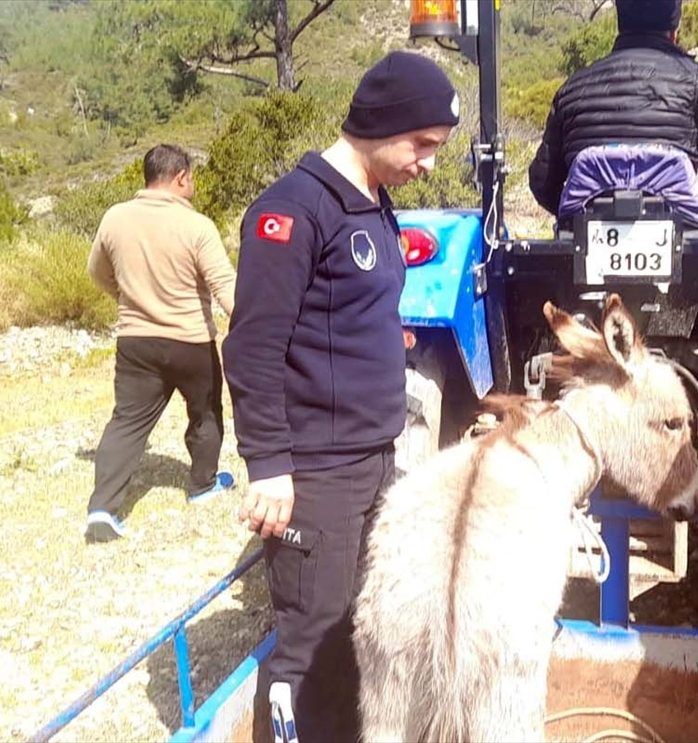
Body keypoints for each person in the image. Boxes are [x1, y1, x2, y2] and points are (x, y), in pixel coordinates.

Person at [222, 51, 458, 742]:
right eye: (422, 145)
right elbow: (254, 347)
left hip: (375, 457)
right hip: (318, 473)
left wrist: (387, 346)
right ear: (381, 124)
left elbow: (345, 313)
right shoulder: (292, 212)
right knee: (310, 644)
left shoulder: (374, 207)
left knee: (363, 625)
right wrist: (268, 462)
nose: (428, 163)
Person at [84, 144, 237, 544]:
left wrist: (126, 297)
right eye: (192, 179)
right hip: (191, 341)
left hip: (136, 341)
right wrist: (252, 324)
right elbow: (224, 284)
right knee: (204, 414)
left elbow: (96, 272)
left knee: (127, 422)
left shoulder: (115, 218)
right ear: (181, 177)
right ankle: (203, 485)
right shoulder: (197, 226)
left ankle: (102, 510)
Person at [527, 0, 698, 224]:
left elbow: (542, 182)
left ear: (621, 24)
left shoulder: (572, 88)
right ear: (675, 28)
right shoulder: (697, 81)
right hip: (683, 246)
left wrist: (573, 219)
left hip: (584, 242)